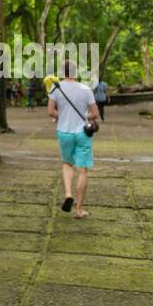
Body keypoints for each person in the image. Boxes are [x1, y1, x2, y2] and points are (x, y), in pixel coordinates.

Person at [48, 61, 99, 218]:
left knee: (67, 164)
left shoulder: (55, 88)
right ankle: (78, 210)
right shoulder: (85, 89)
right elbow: (95, 114)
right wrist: (85, 116)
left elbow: (50, 111)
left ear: (63, 73)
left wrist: (60, 116)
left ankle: (68, 194)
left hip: (64, 132)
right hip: (82, 133)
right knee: (82, 170)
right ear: (76, 72)